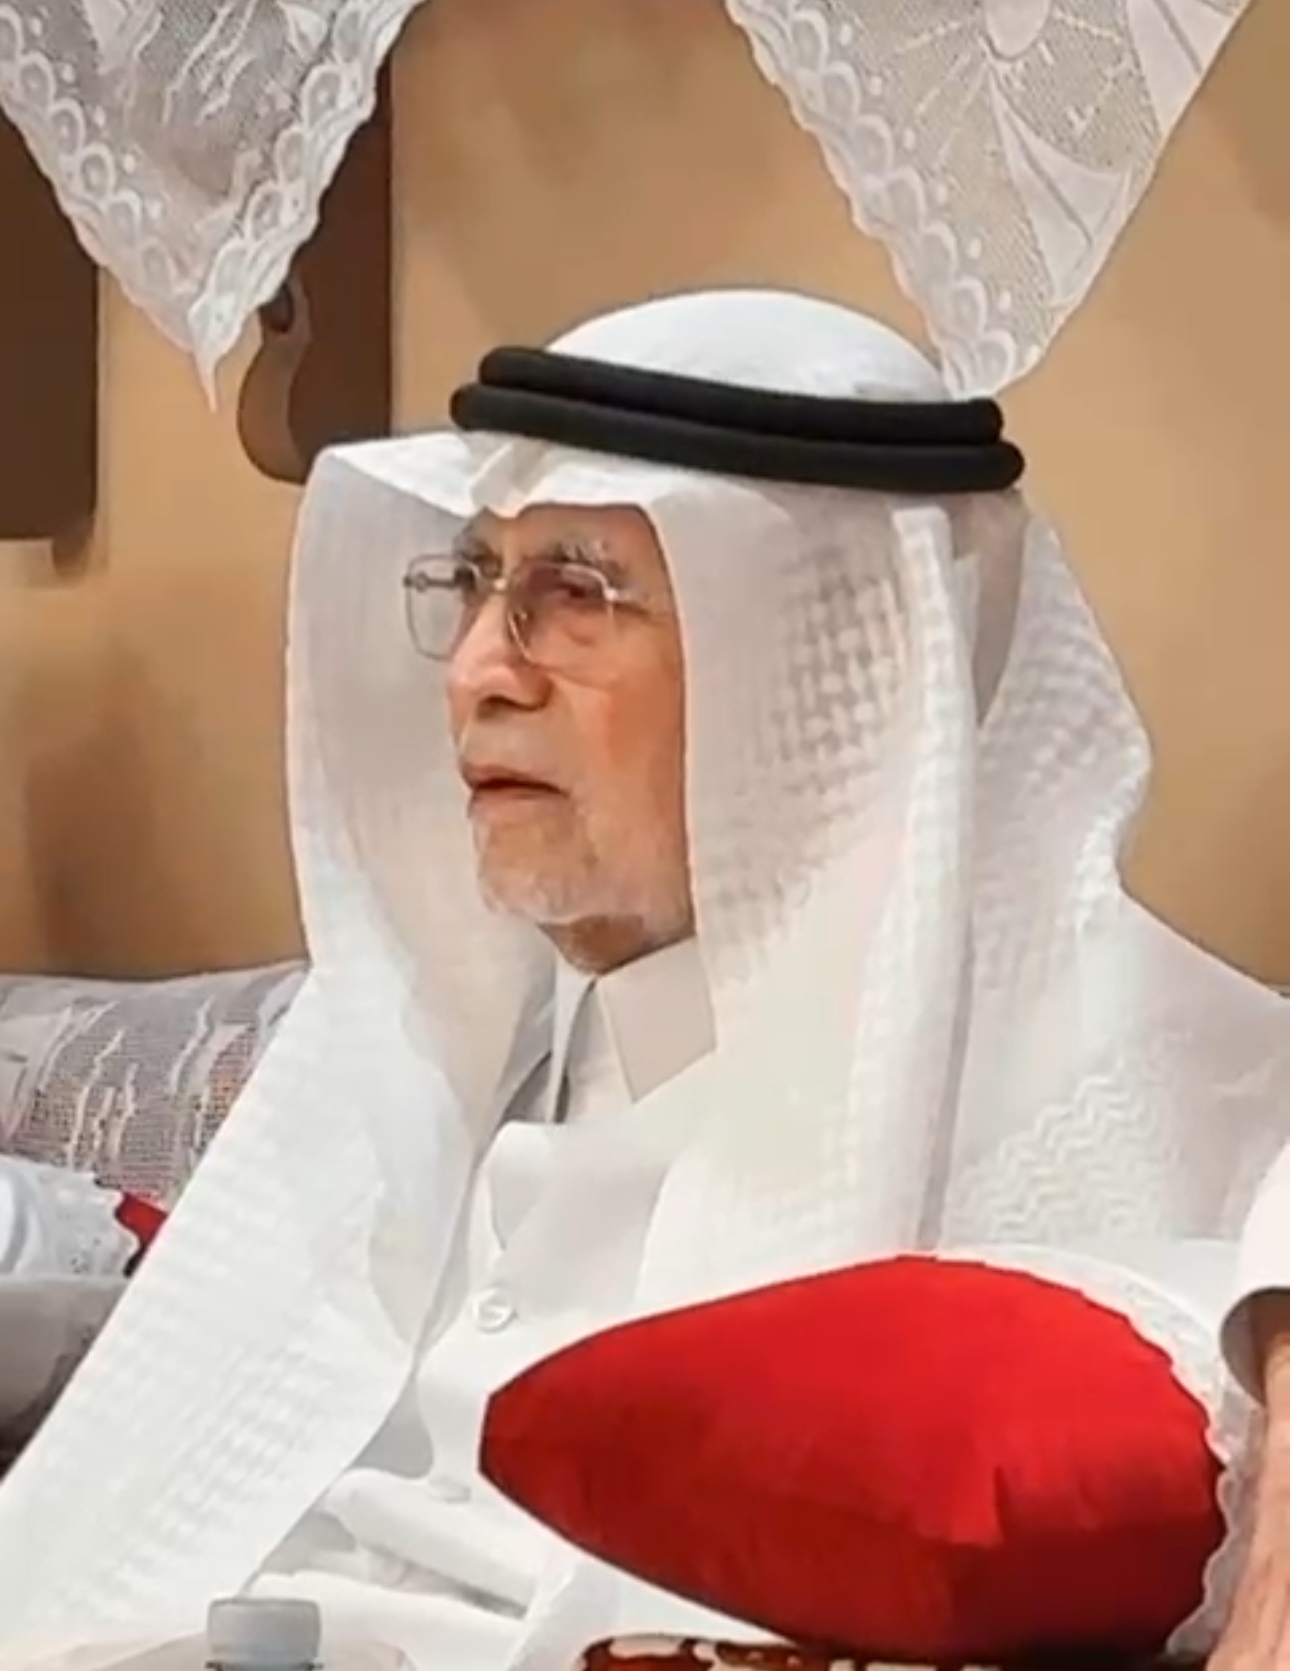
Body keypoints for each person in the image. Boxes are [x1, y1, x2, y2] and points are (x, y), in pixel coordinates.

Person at [0, 288, 1286, 1671]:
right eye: (475, 584)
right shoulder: (446, 1030)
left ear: (815, 666)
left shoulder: (1152, 1083)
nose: (478, 676)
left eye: (574, 595)